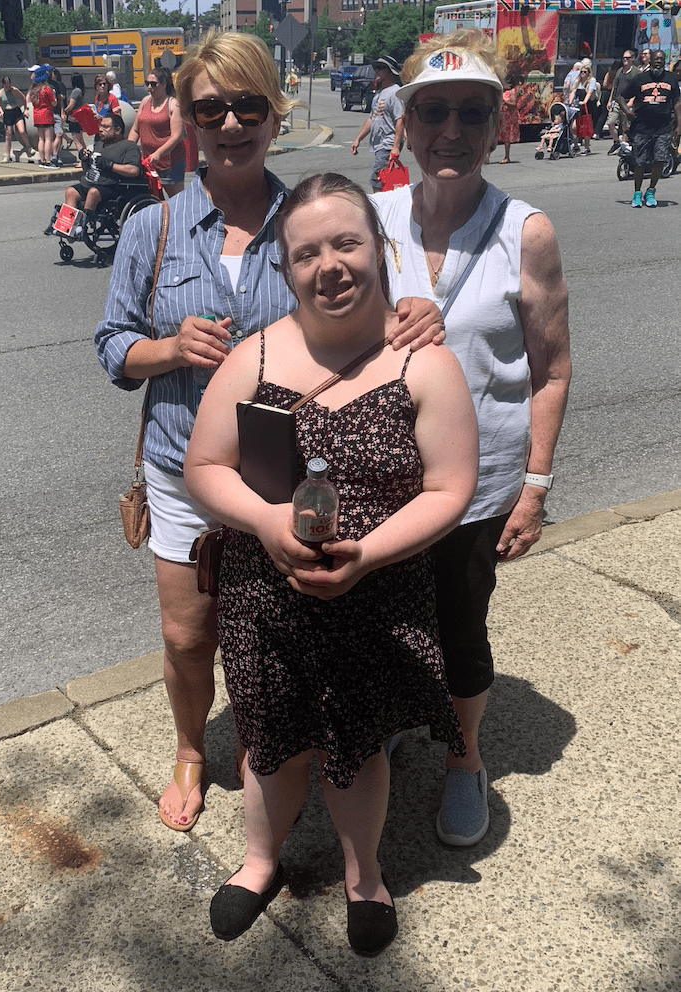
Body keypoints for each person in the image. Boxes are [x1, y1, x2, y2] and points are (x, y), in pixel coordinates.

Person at [93, 30, 442, 837]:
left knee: (285, 630)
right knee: (188, 634)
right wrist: (169, 349)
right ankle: (190, 748)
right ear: (186, 117)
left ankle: (272, 744)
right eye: (210, 106)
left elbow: (371, 300)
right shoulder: (154, 229)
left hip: (292, 479)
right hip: (184, 468)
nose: (231, 122)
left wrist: (420, 311)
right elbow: (113, 344)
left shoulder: (310, 218)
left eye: (248, 103)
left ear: (274, 112)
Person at [183, 173, 479, 955]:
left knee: (357, 747)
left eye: (347, 243)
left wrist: (368, 554)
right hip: (264, 594)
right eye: (307, 252)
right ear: (285, 270)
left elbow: (451, 488)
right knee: (270, 740)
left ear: (379, 251)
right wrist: (264, 520)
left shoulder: (425, 365)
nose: (331, 266)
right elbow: (204, 467)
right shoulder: (257, 354)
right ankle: (257, 862)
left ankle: (364, 877)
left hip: (376, 596)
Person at [371, 30, 571, 848]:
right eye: (432, 112)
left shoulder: (526, 231)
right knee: (379, 616)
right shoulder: (372, 218)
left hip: (478, 484)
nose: (450, 130)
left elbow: (551, 370)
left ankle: (463, 757)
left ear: (499, 126)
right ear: (404, 125)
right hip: (379, 478)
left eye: (471, 114)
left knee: (459, 624)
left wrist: (535, 487)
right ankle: (389, 717)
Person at [53, 113, 141, 236]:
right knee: (70, 191)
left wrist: (110, 165)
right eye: (100, 126)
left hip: (112, 185)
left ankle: (81, 225)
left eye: (105, 127)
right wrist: (84, 159)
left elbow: (133, 170)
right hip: (92, 182)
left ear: (117, 130)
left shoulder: (129, 147)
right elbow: (88, 169)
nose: (100, 129)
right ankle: (67, 226)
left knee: (93, 192)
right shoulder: (99, 144)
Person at [619, 49, 681, 208]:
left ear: (664, 61)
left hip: (663, 128)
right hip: (642, 128)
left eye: (661, 59)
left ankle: (651, 190)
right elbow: (620, 97)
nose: (658, 61)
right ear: (651, 61)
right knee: (640, 162)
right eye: (656, 59)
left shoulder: (671, 79)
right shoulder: (640, 79)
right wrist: (627, 112)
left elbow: (676, 103)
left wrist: (679, 125)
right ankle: (637, 193)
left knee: (660, 160)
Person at [129, 66, 185, 197]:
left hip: (170, 163)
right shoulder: (145, 101)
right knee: (154, 198)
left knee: (177, 199)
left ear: (164, 84)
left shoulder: (173, 104)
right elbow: (135, 129)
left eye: (153, 84)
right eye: (147, 84)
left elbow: (177, 136)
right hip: (148, 162)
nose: (149, 87)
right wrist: (128, 149)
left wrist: (158, 154)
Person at [350, 55, 405, 191]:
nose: (377, 71)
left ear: (390, 71)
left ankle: (380, 209)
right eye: (376, 68)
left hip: (387, 144)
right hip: (379, 145)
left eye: (381, 68)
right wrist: (358, 139)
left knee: (378, 181)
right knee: (385, 182)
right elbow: (372, 118)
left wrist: (395, 147)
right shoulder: (379, 94)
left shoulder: (395, 93)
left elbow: (400, 119)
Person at [0, 75, 36, 162]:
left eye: (9, 85)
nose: (8, 87)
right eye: (6, 86)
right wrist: (1, 111)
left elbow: (23, 98)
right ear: (3, 85)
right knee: (8, 134)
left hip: (16, 111)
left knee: (22, 131)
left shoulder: (14, 90)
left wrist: (25, 109)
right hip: (7, 112)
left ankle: (29, 147)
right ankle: (7, 154)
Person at [606, 51, 639, 154]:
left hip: (627, 101)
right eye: (623, 58)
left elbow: (637, 88)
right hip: (616, 100)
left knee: (625, 125)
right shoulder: (620, 71)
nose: (625, 60)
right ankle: (616, 142)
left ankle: (624, 145)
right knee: (610, 122)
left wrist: (632, 101)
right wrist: (610, 100)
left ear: (632, 59)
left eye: (627, 58)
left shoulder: (636, 72)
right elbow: (614, 87)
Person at [27, 66, 57, 168]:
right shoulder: (47, 89)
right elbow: (54, 103)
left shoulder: (33, 89)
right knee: (48, 139)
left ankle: (42, 159)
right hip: (47, 114)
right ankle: (48, 160)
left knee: (41, 139)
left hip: (37, 115)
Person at [569, 59, 596, 154]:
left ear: (589, 73)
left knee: (585, 127)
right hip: (576, 106)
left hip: (587, 106)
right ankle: (575, 146)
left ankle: (587, 148)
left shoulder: (591, 81)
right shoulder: (577, 81)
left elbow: (589, 93)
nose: (583, 74)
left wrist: (584, 102)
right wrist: (570, 102)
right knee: (574, 127)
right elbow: (572, 91)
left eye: (585, 72)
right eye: (581, 72)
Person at [62, 73, 88, 161]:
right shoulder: (81, 90)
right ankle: (86, 157)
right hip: (79, 118)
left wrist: (64, 111)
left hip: (74, 118)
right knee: (81, 139)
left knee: (76, 140)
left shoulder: (75, 91)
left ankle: (82, 159)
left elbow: (71, 105)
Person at [46, 65, 66, 169]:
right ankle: (52, 158)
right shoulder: (41, 85)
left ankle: (55, 155)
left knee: (59, 134)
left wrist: (62, 112)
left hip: (56, 113)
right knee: (50, 137)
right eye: (48, 70)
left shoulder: (55, 84)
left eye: (51, 70)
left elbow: (60, 99)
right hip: (46, 114)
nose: (50, 72)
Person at [497, 74, 519, 163]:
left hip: (508, 117)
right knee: (494, 134)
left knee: (506, 137)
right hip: (500, 115)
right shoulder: (502, 91)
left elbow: (514, 104)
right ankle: (487, 156)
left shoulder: (512, 91)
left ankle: (507, 157)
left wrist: (505, 103)